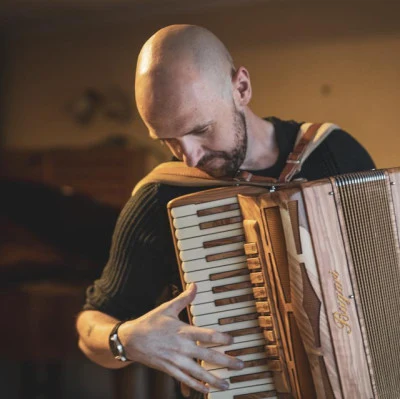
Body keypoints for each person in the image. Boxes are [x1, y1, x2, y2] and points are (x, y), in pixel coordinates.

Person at [76, 24, 375, 397]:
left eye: (200, 129)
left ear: (242, 88)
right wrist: (125, 340)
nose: (189, 156)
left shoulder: (336, 153)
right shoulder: (159, 198)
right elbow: (91, 325)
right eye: (167, 139)